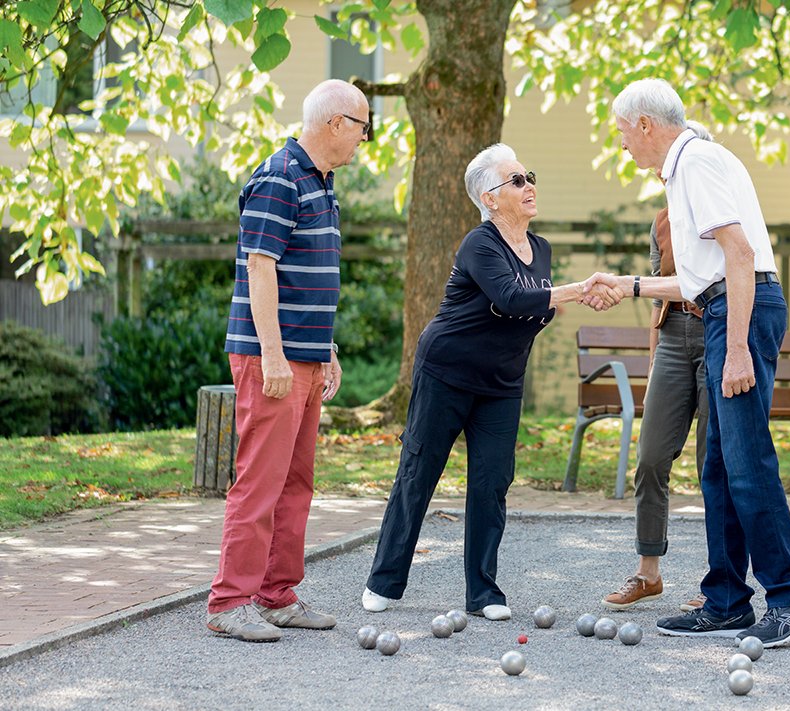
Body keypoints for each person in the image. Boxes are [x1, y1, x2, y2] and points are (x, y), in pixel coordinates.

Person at [590, 78, 790, 648]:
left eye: (623, 134)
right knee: (719, 466)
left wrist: (739, 345)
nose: (624, 146)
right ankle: (725, 600)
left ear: (646, 125)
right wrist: (628, 284)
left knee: (746, 461)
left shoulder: (694, 162)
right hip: (725, 304)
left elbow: (740, 255)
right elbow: (699, 276)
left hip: (739, 313)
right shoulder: (688, 167)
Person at [362, 144, 624, 620]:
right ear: (490, 197)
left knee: (491, 483)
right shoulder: (479, 244)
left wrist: (576, 298)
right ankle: (384, 581)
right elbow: (511, 295)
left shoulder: (540, 248)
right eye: (517, 181)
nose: (529, 187)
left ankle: (483, 593)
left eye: (530, 176)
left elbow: (532, 308)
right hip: (447, 371)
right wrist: (576, 291)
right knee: (418, 474)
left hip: (502, 382)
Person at [206, 79, 370, 642]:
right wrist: (274, 355)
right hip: (268, 358)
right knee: (260, 481)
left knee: (296, 482)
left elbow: (310, 277)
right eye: (362, 127)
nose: (363, 139)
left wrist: (325, 349)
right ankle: (229, 603)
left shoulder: (321, 184)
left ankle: (276, 595)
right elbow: (260, 266)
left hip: (305, 358)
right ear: (335, 123)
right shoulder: (280, 176)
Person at [602, 122, 713, 613]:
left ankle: (722, 580)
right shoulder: (662, 222)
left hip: (714, 333)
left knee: (717, 463)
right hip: (672, 337)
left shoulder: (721, 209)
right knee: (650, 458)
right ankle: (648, 572)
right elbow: (657, 291)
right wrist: (652, 363)